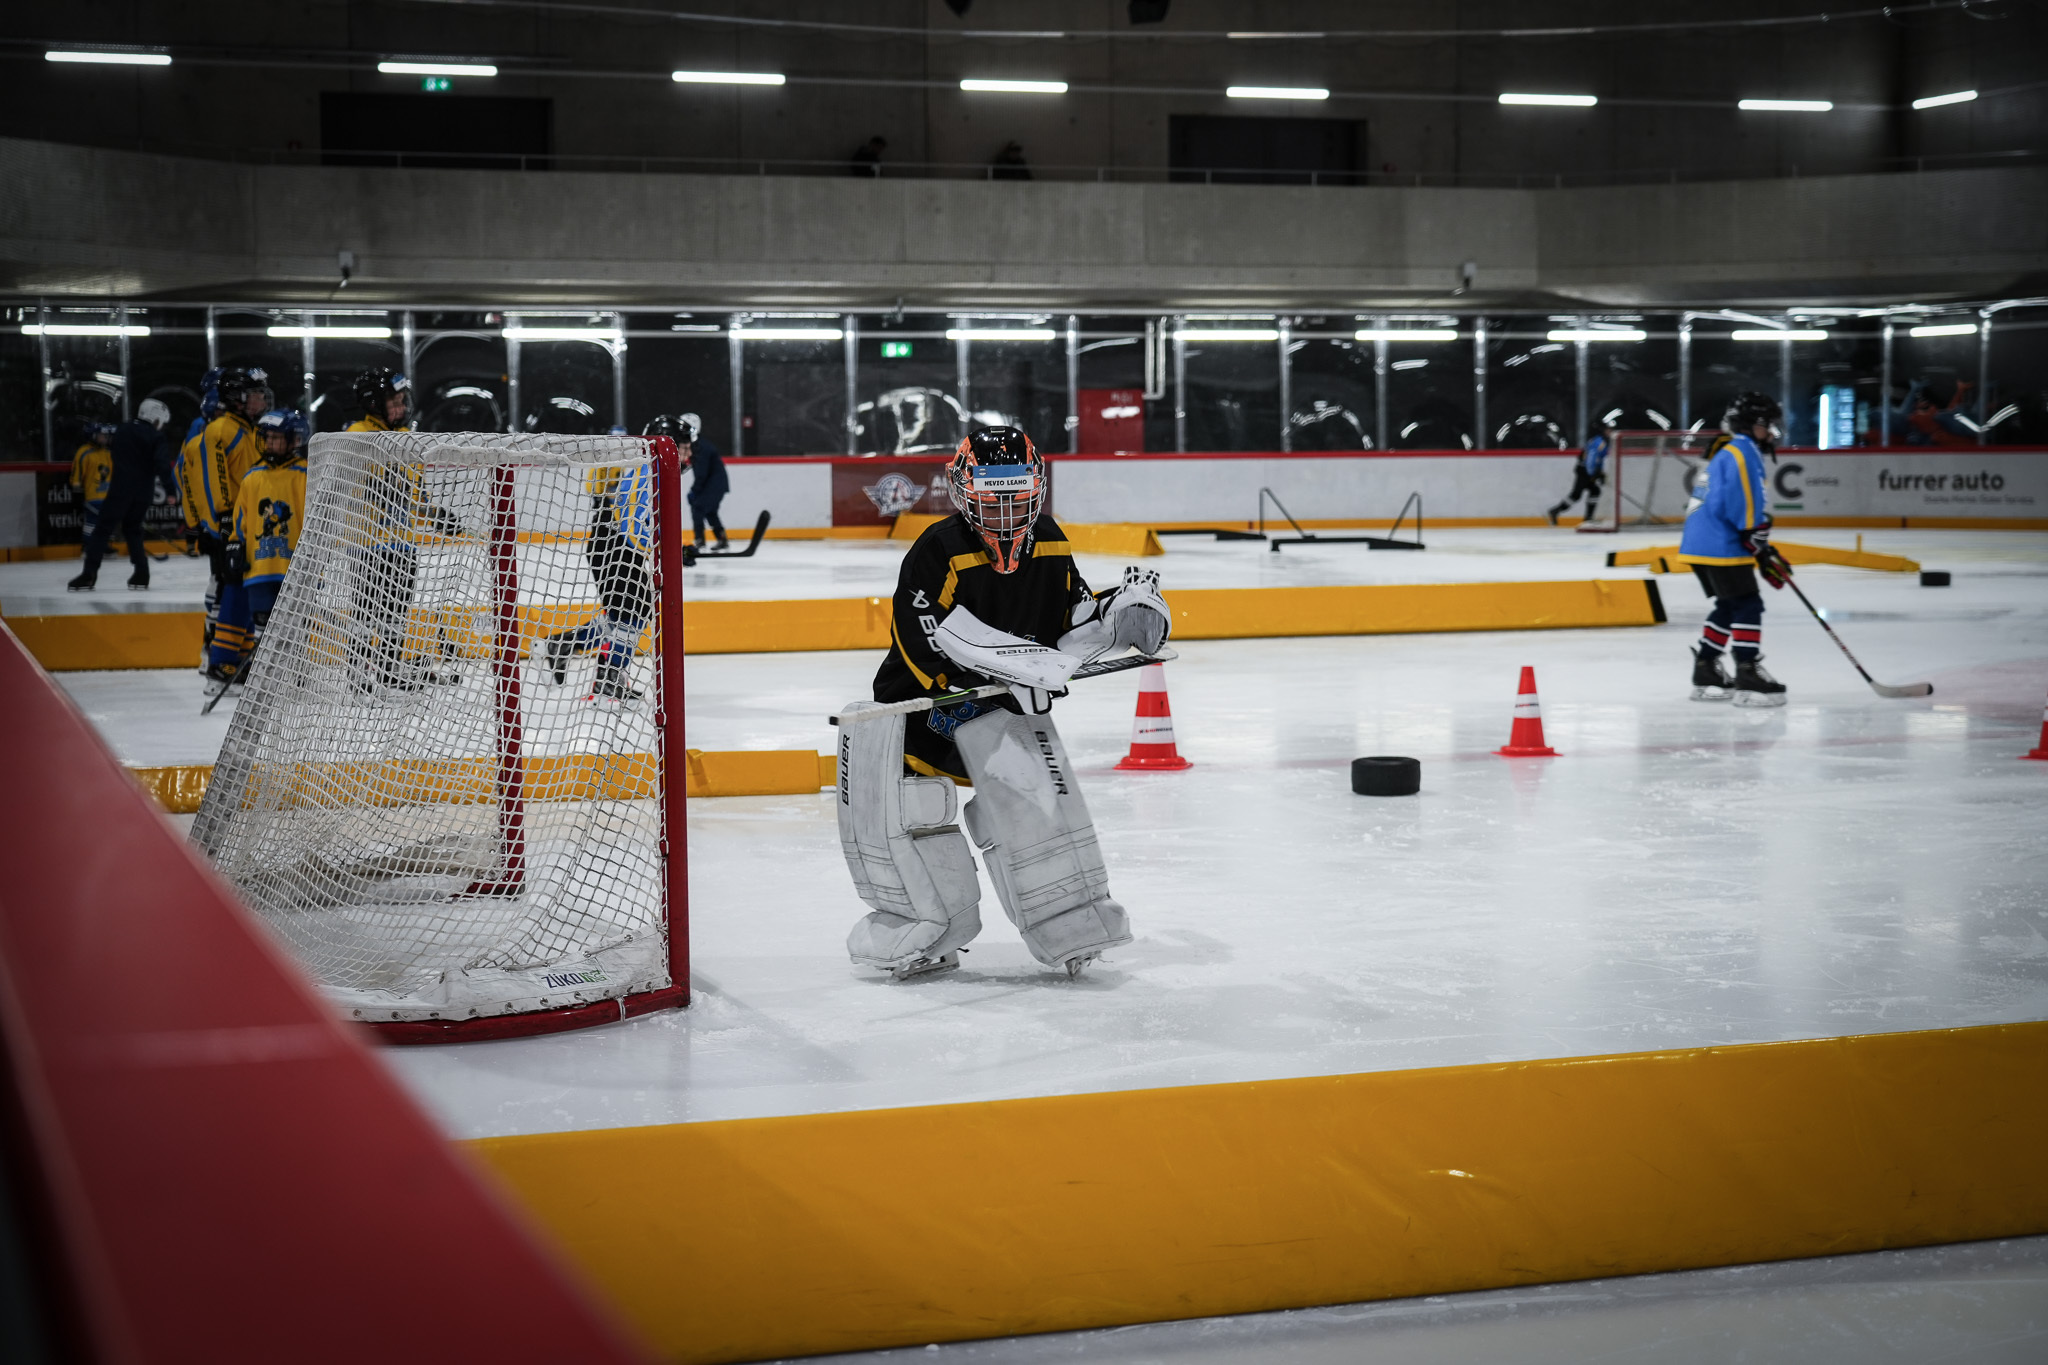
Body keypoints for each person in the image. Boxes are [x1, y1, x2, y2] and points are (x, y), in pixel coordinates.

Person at [837, 426, 1170, 982]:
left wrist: (1114, 617)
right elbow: (917, 634)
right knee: (915, 817)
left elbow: (1071, 613)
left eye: (1017, 493)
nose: (1007, 507)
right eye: (994, 494)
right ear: (965, 490)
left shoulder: (1052, 541)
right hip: (922, 713)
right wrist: (953, 688)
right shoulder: (938, 548)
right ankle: (924, 930)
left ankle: (1072, 925)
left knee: (1037, 817)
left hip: (1006, 712)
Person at [340, 367, 462, 693]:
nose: (400, 407)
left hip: (402, 545)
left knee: (395, 615)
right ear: (373, 403)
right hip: (369, 545)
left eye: (401, 400)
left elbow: (414, 495)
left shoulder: (407, 437)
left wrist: (436, 516)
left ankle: (389, 670)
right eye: (392, 401)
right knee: (367, 613)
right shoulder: (357, 435)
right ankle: (359, 674)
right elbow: (349, 490)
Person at [1677, 392, 1792, 707]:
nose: (1771, 432)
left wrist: (1758, 541)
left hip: (1700, 542)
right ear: (1752, 425)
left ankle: (1706, 669)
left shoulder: (1729, 451)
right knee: (1748, 604)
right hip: (1719, 542)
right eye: (1767, 425)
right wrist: (1755, 535)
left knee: (1729, 605)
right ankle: (1747, 672)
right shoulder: (1744, 452)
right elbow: (1743, 498)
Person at [538, 453, 654, 702]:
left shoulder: (640, 465)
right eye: (684, 446)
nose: (687, 453)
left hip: (612, 545)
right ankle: (607, 680)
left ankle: (565, 645)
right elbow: (633, 521)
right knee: (633, 615)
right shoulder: (643, 468)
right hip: (616, 547)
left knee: (622, 616)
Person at [217, 409, 308, 689]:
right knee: (262, 624)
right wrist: (235, 545)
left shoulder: (305, 475)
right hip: (259, 568)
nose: (269, 443)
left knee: (296, 624)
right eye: (267, 437)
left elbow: (312, 521)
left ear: (294, 440)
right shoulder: (252, 477)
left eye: (277, 438)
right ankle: (267, 680)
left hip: (295, 569)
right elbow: (241, 521)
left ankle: (295, 677)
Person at [197, 368, 271, 690]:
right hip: (229, 527)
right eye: (255, 394)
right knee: (232, 591)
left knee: (244, 590)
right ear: (237, 398)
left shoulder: (252, 429)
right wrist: (226, 521)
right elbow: (215, 481)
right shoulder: (219, 430)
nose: (261, 399)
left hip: (251, 526)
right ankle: (220, 662)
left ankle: (238, 660)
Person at [69, 399, 172, 591]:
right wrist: (171, 490)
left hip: (120, 491)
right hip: (143, 494)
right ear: (155, 417)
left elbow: (112, 450)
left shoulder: (122, 430)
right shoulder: (156, 437)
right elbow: (163, 465)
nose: (161, 425)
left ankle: (89, 574)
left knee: (102, 531)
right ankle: (141, 573)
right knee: (133, 530)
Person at [66, 427, 113, 579]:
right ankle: (87, 546)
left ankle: (103, 546)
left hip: (107, 495)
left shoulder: (107, 453)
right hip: (92, 495)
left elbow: (113, 472)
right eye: (101, 436)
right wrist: (76, 485)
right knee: (91, 522)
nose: (104, 439)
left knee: (106, 522)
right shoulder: (84, 452)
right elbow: (77, 472)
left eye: (106, 436)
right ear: (93, 436)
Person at [676, 412, 729, 550]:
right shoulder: (698, 444)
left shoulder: (699, 446)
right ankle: (721, 539)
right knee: (710, 512)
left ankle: (700, 540)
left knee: (698, 508)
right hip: (716, 484)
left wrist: (694, 491)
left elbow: (702, 474)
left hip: (714, 484)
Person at [1547, 419, 1613, 524]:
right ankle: (1556, 511)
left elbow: (1597, 460)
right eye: (1608, 430)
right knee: (1577, 494)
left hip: (1584, 469)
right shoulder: (1600, 442)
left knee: (1593, 491)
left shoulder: (1598, 440)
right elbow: (1591, 459)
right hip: (1585, 470)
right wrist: (1594, 473)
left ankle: (1586, 517)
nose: (1610, 432)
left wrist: (1599, 473)